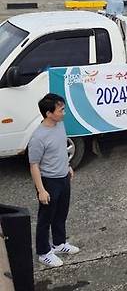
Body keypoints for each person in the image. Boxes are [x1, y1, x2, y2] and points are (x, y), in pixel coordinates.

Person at [28, 93, 79, 268]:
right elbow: (34, 165)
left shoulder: (60, 125)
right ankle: (43, 252)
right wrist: (41, 190)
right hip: (49, 182)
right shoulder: (38, 137)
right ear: (49, 113)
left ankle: (59, 244)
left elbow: (60, 148)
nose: (64, 112)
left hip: (64, 177)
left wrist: (68, 166)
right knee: (45, 218)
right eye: (61, 110)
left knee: (61, 213)